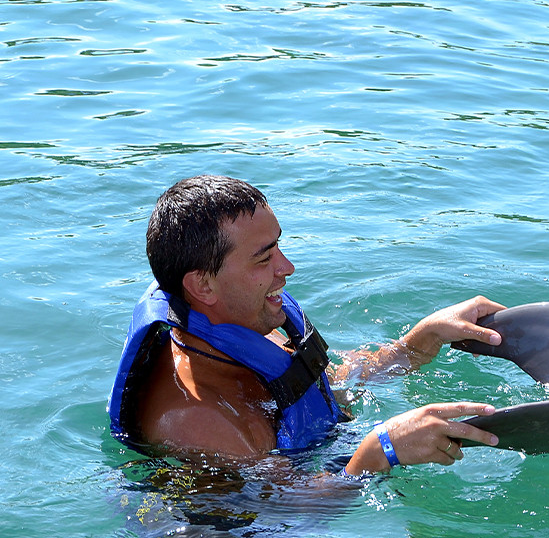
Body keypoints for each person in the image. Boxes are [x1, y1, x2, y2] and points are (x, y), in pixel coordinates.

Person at [108, 175, 503, 475]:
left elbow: (334, 384)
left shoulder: (248, 332)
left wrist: (422, 339)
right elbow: (285, 516)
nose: (287, 268)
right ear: (202, 285)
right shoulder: (200, 421)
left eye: (278, 245)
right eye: (264, 259)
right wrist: (382, 450)